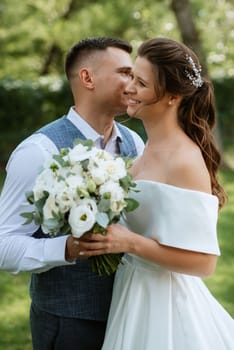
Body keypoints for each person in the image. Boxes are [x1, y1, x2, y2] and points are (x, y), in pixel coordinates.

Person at [77, 37, 234, 349]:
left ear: (172, 97)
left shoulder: (184, 161)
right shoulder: (146, 148)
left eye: (141, 83)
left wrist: (129, 242)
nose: (129, 88)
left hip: (165, 306)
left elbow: (204, 263)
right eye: (131, 76)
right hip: (133, 291)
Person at [0, 37, 145, 350]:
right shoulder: (38, 152)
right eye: (124, 73)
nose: (134, 83)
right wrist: (66, 248)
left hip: (133, 313)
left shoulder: (136, 143)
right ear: (88, 78)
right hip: (70, 324)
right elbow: (3, 244)